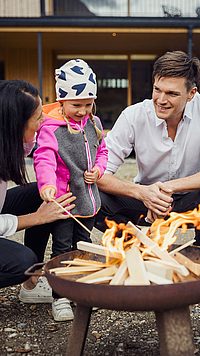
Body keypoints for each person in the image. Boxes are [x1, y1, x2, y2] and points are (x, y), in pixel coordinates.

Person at [95, 50, 200, 246]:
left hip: (190, 202)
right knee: (92, 197)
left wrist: (168, 188)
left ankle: (198, 253)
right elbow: (99, 173)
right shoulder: (133, 116)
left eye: (172, 93)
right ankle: (136, 247)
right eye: (157, 89)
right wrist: (142, 193)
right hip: (144, 203)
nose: (161, 100)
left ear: (191, 94)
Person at [33, 58, 108, 321]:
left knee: (85, 246)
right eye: (76, 105)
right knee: (63, 248)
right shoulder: (51, 128)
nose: (82, 110)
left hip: (89, 200)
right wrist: (48, 185)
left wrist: (98, 170)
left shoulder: (94, 122)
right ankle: (60, 296)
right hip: (65, 200)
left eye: (88, 104)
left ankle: (82, 291)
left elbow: (103, 151)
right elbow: (44, 159)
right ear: (61, 100)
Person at [0, 80, 76, 292]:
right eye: (38, 117)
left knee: (38, 192)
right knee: (23, 262)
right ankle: (29, 272)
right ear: (16, 124)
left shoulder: (8, 142)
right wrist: (36, 218)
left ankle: (31, 285)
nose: (45, 121)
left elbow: (35, 147)